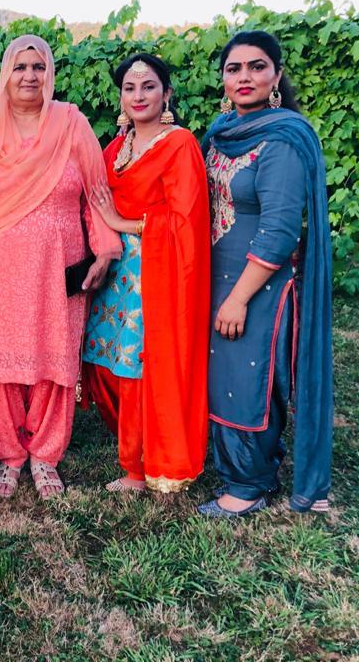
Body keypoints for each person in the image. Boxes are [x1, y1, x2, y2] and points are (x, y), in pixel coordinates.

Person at [0, 34, 121, 500]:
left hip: (58, 267)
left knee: (55, 355)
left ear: (50, 73)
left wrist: (104, 250)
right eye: (20, 67)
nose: (30, 76)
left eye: (39, 67)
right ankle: (9, 454)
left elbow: (96, 194)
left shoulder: (71, 123)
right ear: (5, 75)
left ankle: (46, 454)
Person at [197, 31, 334, 517]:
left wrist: (238, 298)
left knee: (247, 380)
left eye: (257, 67)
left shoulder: (283, 139)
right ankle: (233, 468)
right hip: (214, 278)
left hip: (258, 285)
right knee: (221, 376)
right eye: (234, 68)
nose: (245, 77)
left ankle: (248, 485)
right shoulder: (221, 132)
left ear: (276, 75)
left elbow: (279, 231)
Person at [84, 53, 210, 494]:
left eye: (149, 86)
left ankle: (141, 467)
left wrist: (121, 223)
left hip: (158, 271)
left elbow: (186, 220)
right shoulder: (115, 149)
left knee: (139, 365)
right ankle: (134, 451)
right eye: (130, 88)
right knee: (110, 363)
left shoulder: (179, 145)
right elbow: (92, 199)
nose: (138, 96)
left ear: (167, 94)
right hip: (116, 272)